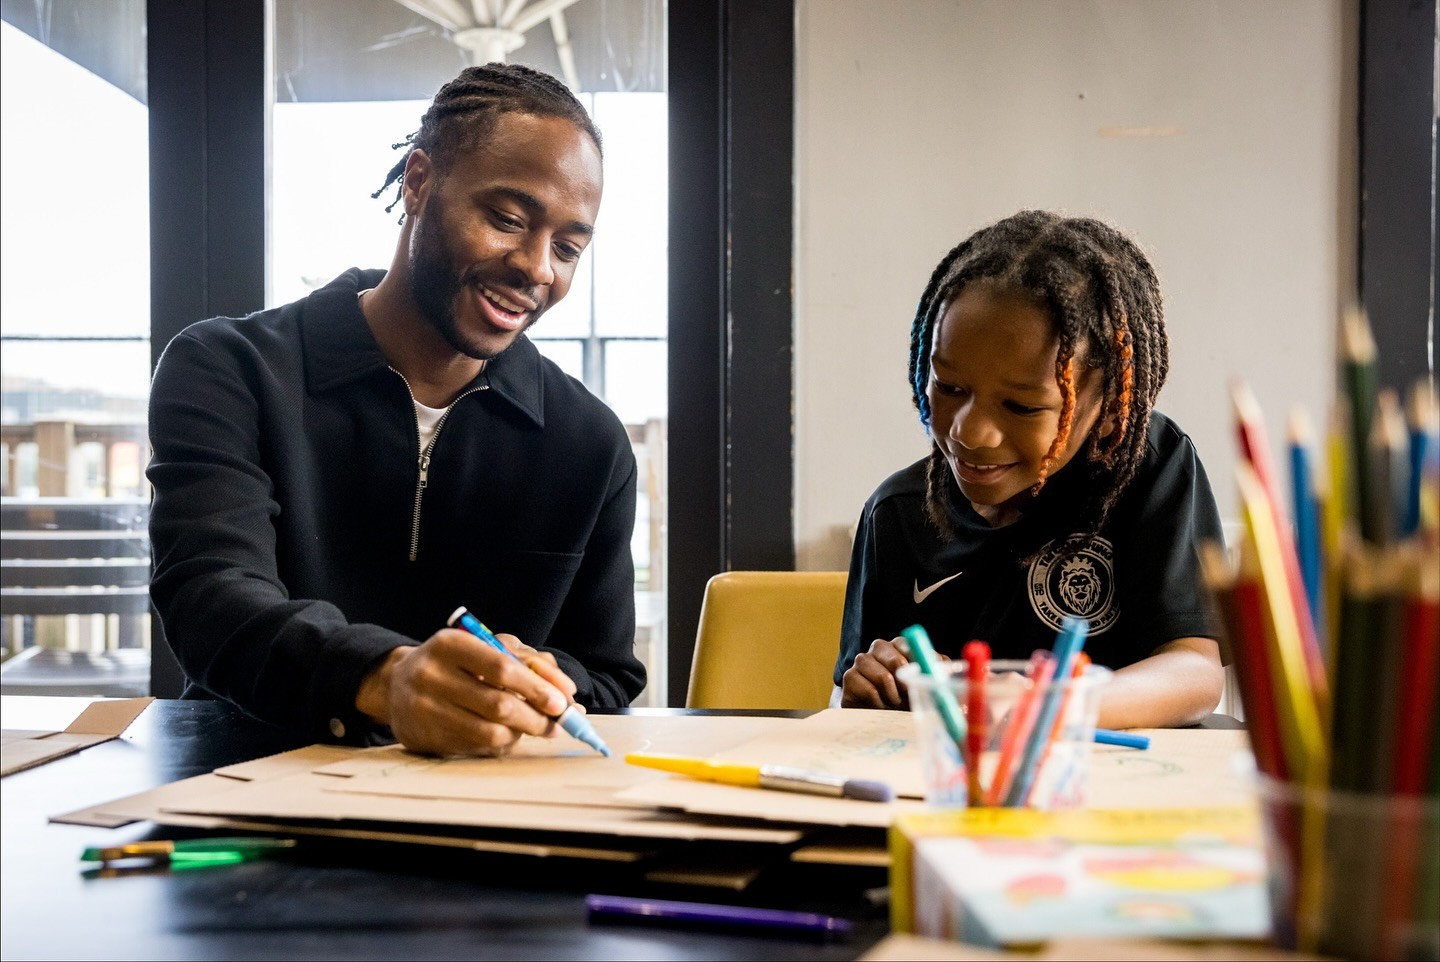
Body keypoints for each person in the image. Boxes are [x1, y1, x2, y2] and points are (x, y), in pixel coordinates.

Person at [147, 63, 645, 757]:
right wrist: (385, 678)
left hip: (488, 800)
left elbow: (607, 670)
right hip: (246, 781)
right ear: (418, 182)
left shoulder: (590, 442)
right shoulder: (230, 369)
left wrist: (543, 675)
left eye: (567, 248)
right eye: (507, 220)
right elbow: (211, 599)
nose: (538, 268)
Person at [833, 210, 1226, 729]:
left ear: (1110, 407)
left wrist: (1050, 705)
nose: (970, 433)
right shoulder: (896, 514)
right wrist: (871, 687)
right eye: (949, 388)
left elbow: (1195, 671)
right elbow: (843, 701)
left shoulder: (1150, 468)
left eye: (1021, 407)